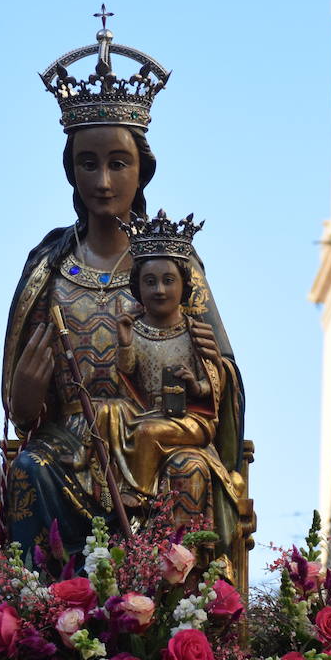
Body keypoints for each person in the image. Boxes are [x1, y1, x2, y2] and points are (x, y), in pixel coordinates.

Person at [0, 21, 250, 568]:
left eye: (118, 163)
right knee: (27, 473)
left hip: (157, 446)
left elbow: (223, 379)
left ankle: (178, 621)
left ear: (142, 170)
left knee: (188, 471)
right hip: (69, 445)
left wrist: (204, 370)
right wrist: (24, 395)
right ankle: (39, 619)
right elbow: (23, 412)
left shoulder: (172, 260)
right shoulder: (50, 266)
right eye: (88, 164)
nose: (104, 181)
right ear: (71, 171)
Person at [88, 213, 238, 527]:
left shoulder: (196, 332)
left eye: (168, 281)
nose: (159, 289)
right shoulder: (136, 330)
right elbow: (126, 378)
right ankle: (97, 482)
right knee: (105, 412)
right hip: (146, 411)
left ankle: (139, 498)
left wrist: (196, 385)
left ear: (184, 286)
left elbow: (214, 386)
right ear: (137, 287)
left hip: (189, 420)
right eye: (150, 281)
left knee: (147, 432)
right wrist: (126, 342)